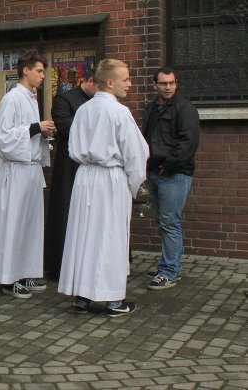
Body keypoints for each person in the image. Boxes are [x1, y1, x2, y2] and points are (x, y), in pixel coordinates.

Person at [58, 59, 149, 317]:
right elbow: (135, 154)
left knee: (84, 235)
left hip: (85, 177)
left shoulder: (84, 111)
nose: (129, 84)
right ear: (110, 82)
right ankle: (112, 300)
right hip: (110, 179)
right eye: (126, 79)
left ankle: (82, 297)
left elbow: (72, 146)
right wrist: (136, 186)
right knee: (110, 236)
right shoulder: (119, 112)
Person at [0, 50, 55, 298]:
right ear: (25, 70)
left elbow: (24, 131)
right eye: (39, 71)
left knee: (29, 224)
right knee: (13, 223)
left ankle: (25, 272)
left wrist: (41, 132)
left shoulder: (30, 98)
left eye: (43, 72)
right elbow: (3, 138)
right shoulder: (12, 98)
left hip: (30, 169)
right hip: (16, 171)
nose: (42, 76)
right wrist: (36, 127)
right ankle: (7, 278)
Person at [142, 67, 200, 290]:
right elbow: (147, 137)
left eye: (172, 83)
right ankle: (168, 263)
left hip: (174, 173)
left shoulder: (184, 108)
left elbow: (189, 142)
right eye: (163, 83)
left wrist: (170, 166)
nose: (168, 87)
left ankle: (169, 272)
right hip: (155, 171)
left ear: (176, 84)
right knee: (163, 221)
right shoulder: (152, 107)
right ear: (154, 84)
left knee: (170, 222)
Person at [44, 77, 97, 279]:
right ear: (91, 81)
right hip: (69, 167)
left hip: (92, 166)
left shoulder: (100, 100)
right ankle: (60, 265)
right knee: (65, 213)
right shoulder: (64, 99)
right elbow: (66, 127)